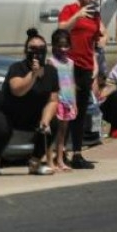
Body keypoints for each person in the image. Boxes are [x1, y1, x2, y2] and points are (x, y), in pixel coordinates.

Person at [0, 29, 58, 176]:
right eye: (33, 49)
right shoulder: (17, 68)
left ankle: (35, 164)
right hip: (3, 111)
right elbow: (18, 90)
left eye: (41, 49)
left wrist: (45, 120)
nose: (37, 52)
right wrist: (33, 75)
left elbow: (53, 100)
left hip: (28, 114)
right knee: (2, 130)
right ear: (26, 51)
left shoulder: (51, 71)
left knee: (52, 124)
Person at [56, 0, 104, 170]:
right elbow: (61, 30)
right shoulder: (70, 9)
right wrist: (77, 15)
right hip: (68, 66)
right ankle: (60, 153)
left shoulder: (96, 16)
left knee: (81, 112)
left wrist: (96, 64)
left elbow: (92, 42)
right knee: (66, 110)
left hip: (86, 66)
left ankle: (77, 153)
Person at [47, 28, 76, 172]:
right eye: (60, 45)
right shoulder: (51, 62)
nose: (63, 49)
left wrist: (74, 103)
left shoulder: (70, 63)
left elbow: (71, 82)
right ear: (53, 46)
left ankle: (60, 160)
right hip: (56, 101)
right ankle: (49, 159)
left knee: (63, 133)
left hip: (68, 101)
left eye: (66, 45)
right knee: (53, 131)